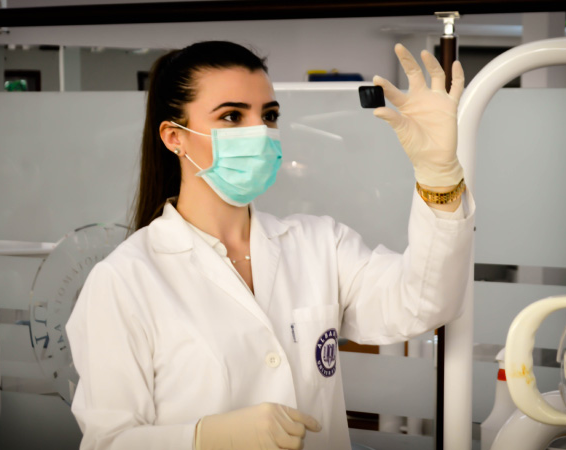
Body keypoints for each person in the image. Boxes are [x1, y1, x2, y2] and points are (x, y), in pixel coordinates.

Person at [66, 40, 475, 450]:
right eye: (231, 116)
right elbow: (109, 441)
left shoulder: (319, 244)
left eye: (269, 115)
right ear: (175, 137)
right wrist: (204, 439)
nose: (259, 132)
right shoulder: (124, 280)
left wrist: (439, 178)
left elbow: (426, 301)